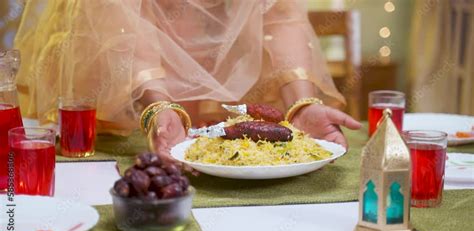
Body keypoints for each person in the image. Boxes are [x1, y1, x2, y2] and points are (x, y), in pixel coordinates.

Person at [14, 0, 361, 159]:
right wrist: (158, 107)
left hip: (212, 116)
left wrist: (301, 104)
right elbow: (117, 20)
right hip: (122, 96)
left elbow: (280, 15)